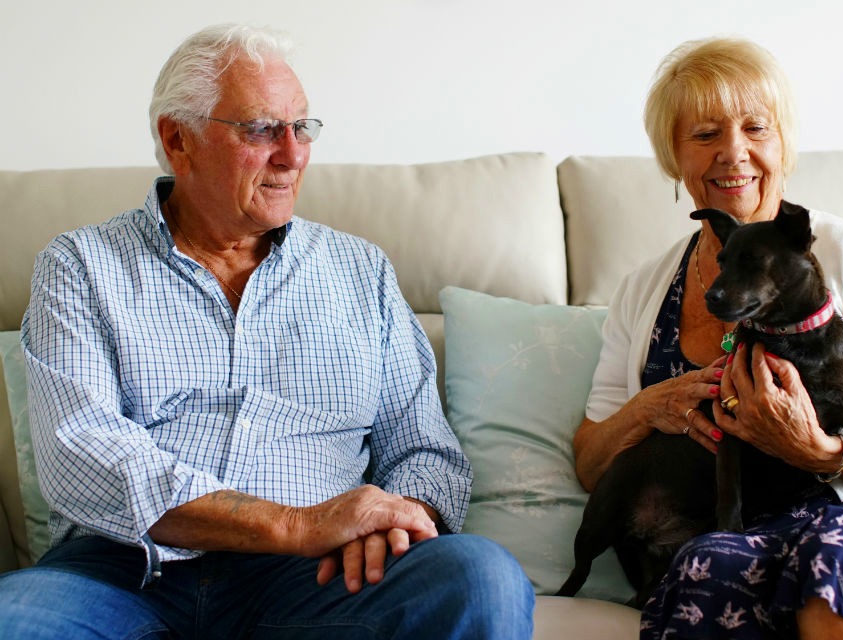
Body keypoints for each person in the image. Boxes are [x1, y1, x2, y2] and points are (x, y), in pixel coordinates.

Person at [0, 23, 534, 639]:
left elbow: (426, 452)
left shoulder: (360, 272)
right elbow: (85, 455)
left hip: (319, 580)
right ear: (179, 140)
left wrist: (393, 519)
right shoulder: (81, 265)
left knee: (481, 577)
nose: (293, 153)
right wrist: (295, 524)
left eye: (301, 126)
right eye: (261, 129)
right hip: (121, 574)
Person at [573, 37, 843, 640]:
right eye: (704, 135)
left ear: (784, 145)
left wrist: (820, 449)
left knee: (839, 552)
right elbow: (592, 463)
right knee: (706, 564)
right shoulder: (644, 290)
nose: (733, 153)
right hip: (734, 519)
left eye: (755, 128)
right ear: (673, 156)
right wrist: (647, 408)